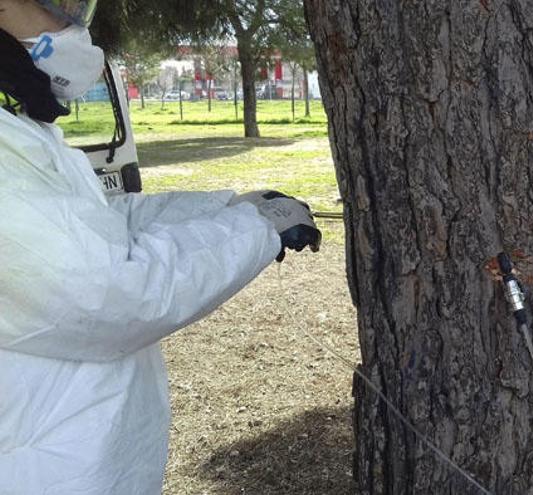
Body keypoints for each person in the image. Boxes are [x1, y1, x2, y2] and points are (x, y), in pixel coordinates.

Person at [0, 1, 321, 493]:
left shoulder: (17, 131)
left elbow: (104, 224)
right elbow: (108, 291)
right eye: (53, 4)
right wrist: (253, 232)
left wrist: (234, 208)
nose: (71, 23)